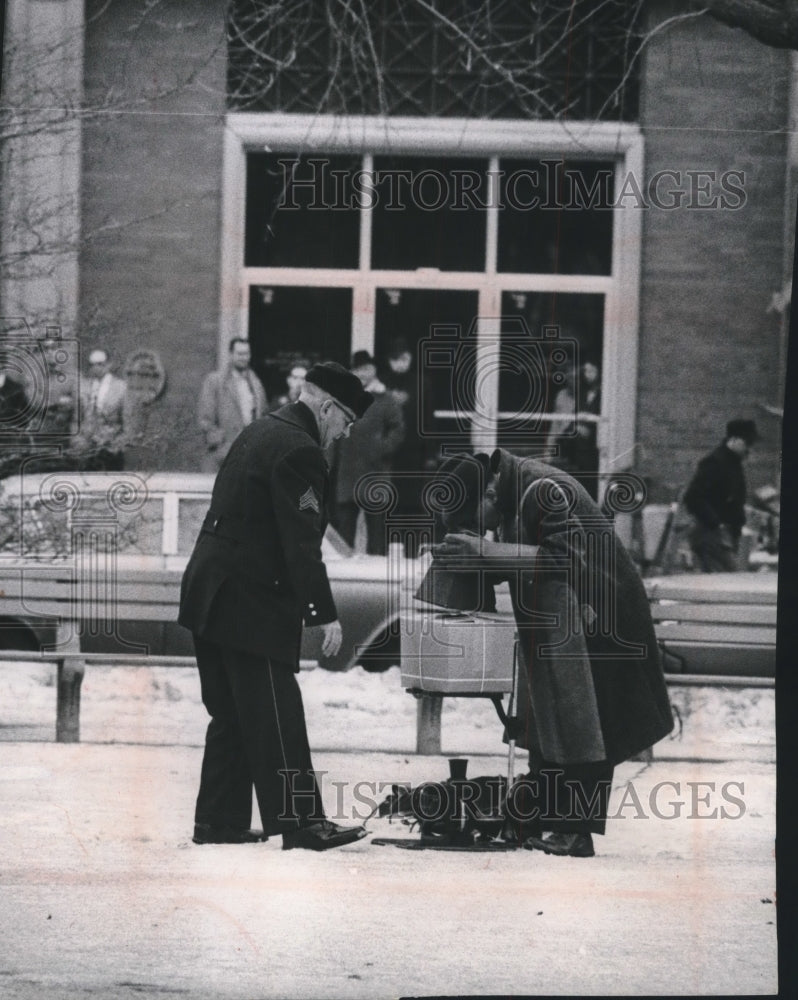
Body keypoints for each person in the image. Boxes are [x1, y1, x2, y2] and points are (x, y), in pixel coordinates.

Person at [435, 448, 674, 857]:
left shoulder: (544, 490)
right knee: (549, 720)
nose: (482, 533)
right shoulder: (516, 489)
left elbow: (563, 559)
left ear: (488, 495)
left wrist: (485, 553)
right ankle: (545, 819)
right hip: (568, 619)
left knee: (585, 723)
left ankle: (574, 830)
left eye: (474, 523)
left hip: (600, 619)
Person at [178, 361, 374, 851]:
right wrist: (323, 611)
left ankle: (218, 822)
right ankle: (303, 824)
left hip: (212, 594)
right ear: (326, 407)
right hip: (249, 602)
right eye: (345, 422)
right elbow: (301, 542)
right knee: (275, 712)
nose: (343, 435)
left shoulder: (260, 430)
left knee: (232, 712)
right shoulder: (300, 450)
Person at [331, 351, 404, 555]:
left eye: (365, 369)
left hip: (375, 473)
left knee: (377, 535)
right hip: (347, 473)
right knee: (344, 532)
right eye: (356, 370)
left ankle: (376, 577)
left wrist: (380, 448)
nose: (361, 374)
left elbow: (398, 430)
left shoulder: (386, 399)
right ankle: (344, 578)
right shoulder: (343, 398)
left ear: (373, 370)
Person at [682, 418, 759, 572]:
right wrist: (717, 524)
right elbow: (692, 497)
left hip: (723, 535)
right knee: (727, 581)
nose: (749, 449)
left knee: (725, 581)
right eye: (747, 443)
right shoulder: (715, 462)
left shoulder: (732, 462)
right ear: (734, 439)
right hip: (711, 535)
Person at [197, 338, 268, 472]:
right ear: (231, 354)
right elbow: (205, 419)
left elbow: (263, 415)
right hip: (223, 454)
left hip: (250, 453)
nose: (244, 357)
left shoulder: (255, 384)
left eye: (246, 354)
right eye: (240, 353)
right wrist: (220, 443)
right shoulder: (215, 381)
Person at [546, 358, 601, 500]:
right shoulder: (568, 396)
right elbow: (557, 424)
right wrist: (550, 449)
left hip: (590, 448)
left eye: (576, 377)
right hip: (570, 446)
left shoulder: (600, 394)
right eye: (569, 377)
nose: (572, 381)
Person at [72, 348, 128, 471]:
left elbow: (128, 423)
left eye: (100, 364)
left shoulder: (121, 388)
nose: (96, 368)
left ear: (109, 364)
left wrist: (116, 445)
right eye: (92, 364)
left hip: (111, 450)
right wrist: (77, 440)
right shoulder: (82, 387)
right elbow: (76, 419)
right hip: (86, 450)